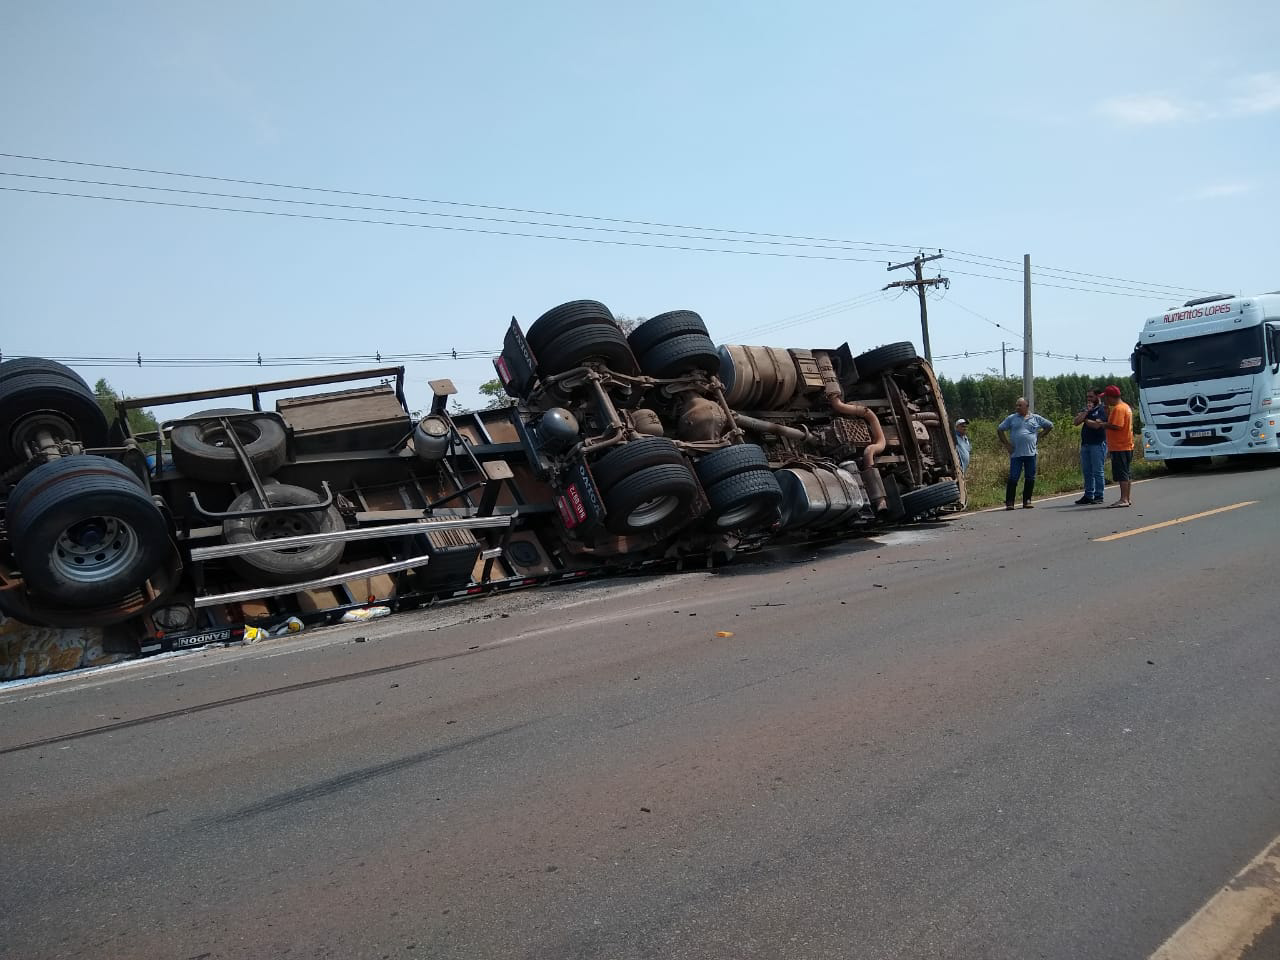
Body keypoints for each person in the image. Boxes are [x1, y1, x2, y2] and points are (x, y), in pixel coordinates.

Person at [997, 398, 1053, 510]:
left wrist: (1039, 436)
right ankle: (1010, 502)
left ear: (1027, 406)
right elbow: (1000, 429)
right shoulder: (1012, 418)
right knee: (1013, 477)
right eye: (1016, 405)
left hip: (1031, 453)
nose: (1017, 407)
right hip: (1016, 454)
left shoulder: (1036, 418)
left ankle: (1027, 500)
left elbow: (1049, 425)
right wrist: (1007, 444)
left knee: (1030, 477)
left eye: (1020, 405)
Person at [1100, 384, 1135, 507]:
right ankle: (1127, 498)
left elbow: (1117, 426)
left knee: (1122, 473)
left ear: (1111, 397)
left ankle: (1124, 499)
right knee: (1126, 472)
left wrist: (1103, 424)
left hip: (1120, 446)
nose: (1105, 400)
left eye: (1106, 397)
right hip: (1126, 444)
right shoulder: (1126, 407)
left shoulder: (1119, 409)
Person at [1072, 387, 1108, 504]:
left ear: (1098, 397)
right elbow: (1076, 422)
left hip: (1098, 444)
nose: (1089, 399)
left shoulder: (1102, 409)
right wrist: (1086, 413)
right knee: (1087, 471)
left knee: (1098, 471)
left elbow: (1097, 425)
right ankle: (1088, 495)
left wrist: (1085, 420)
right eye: (1087, 397)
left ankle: (1099, 495)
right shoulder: (1086, 409)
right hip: (1086, 444)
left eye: (1091, 397)